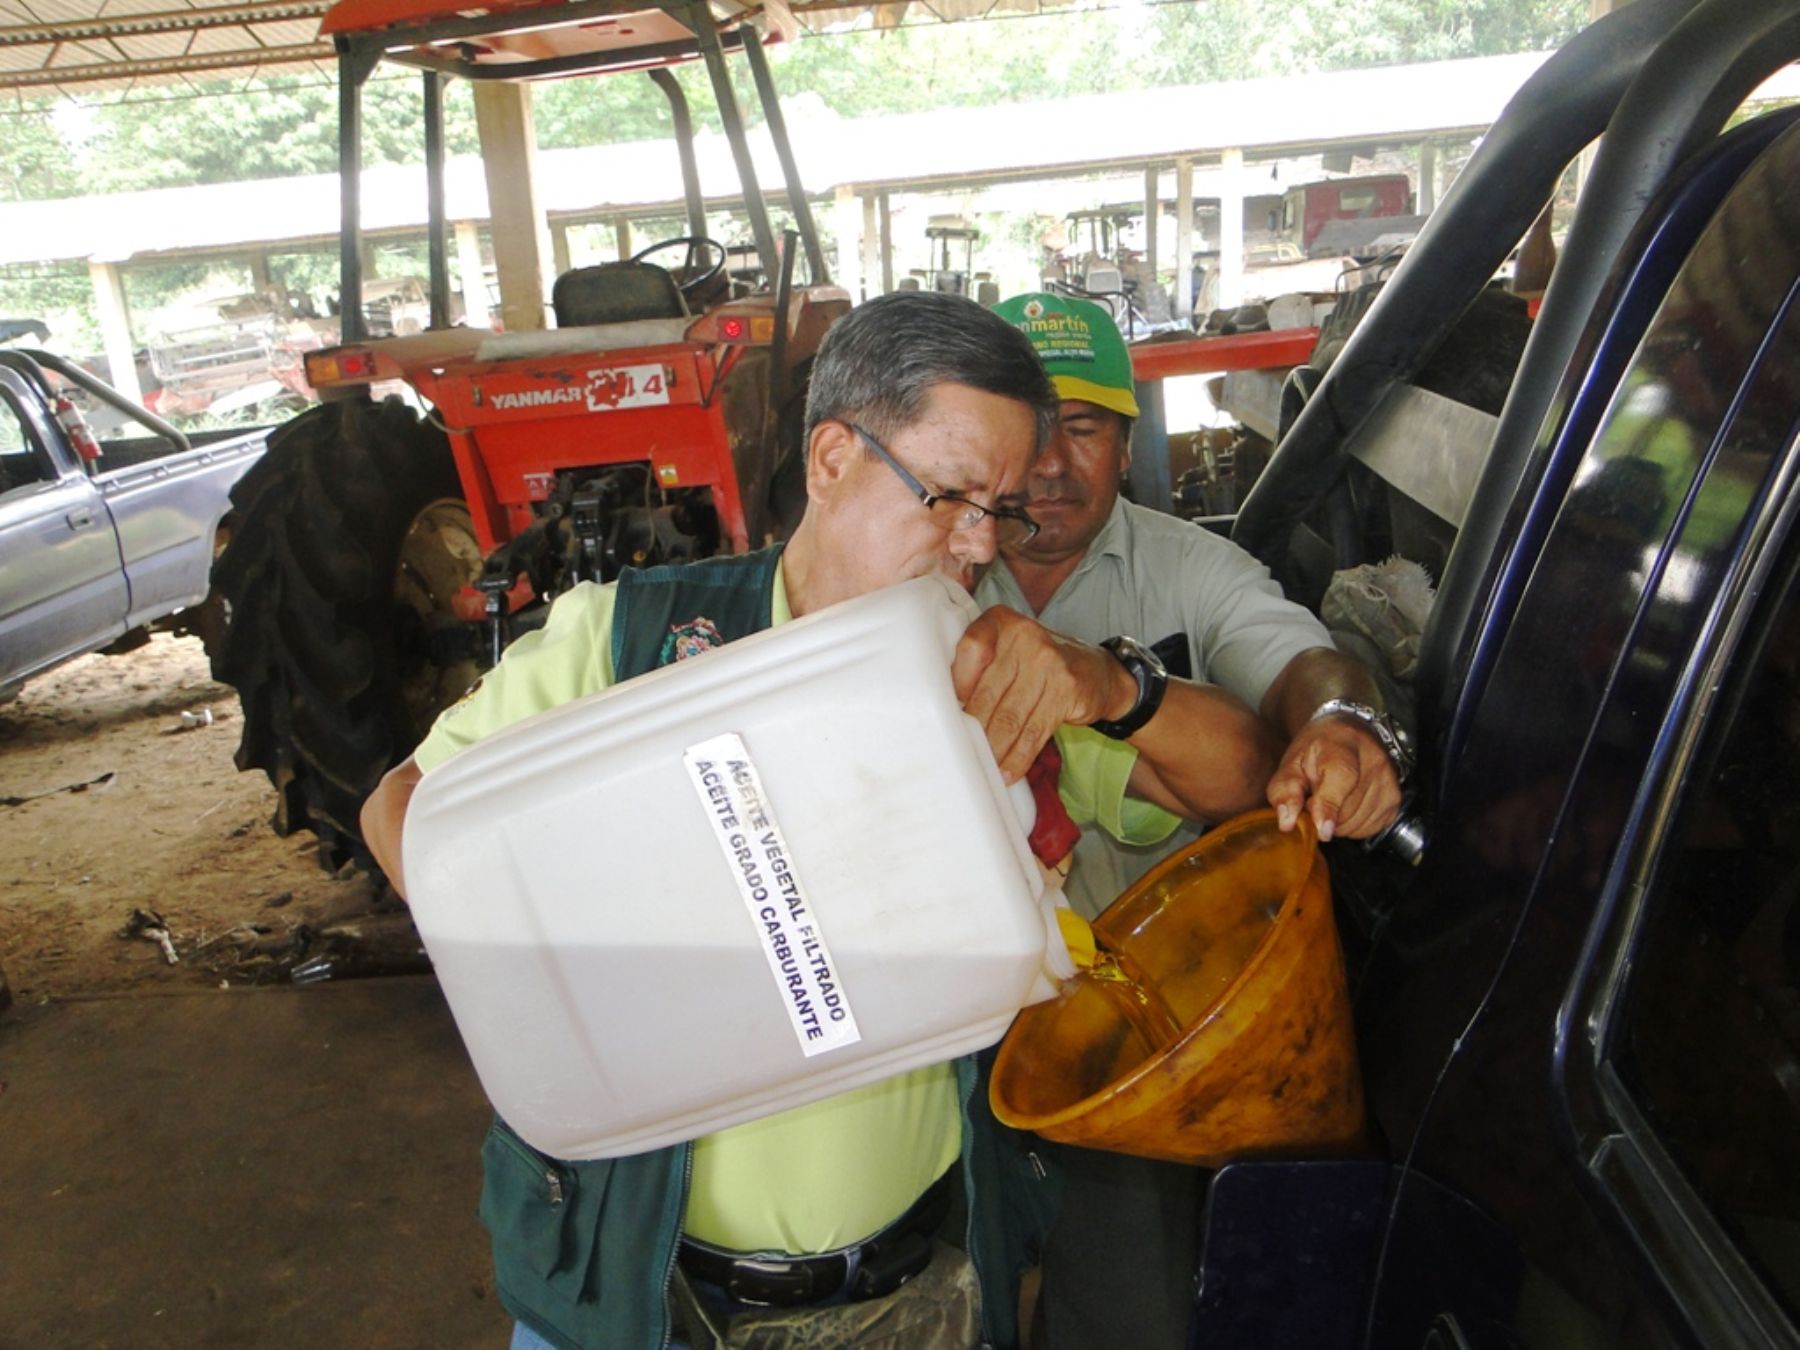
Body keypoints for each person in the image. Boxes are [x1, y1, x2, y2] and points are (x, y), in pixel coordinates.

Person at [361, 289, 1285, 1350]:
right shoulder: (627, 642)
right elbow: (402, 805)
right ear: (833, 458)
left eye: (1000, 509)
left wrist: (1118, 689)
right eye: (947, 499)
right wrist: (547, 972)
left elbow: (1240, 780)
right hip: (631, 1302)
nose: (977, 549)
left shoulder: (988, 682)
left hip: (912, 1298)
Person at [985, 290, 1410, 1350]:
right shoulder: (933, 565)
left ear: (1128, 438)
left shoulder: (1190, 569)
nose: (1049, 462)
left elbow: (1297, 661)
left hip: (1142, 1043)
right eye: (1026, 430)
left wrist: (1342, 723)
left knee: (1128, 1304)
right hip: (962, 1020)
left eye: (1080, 428)